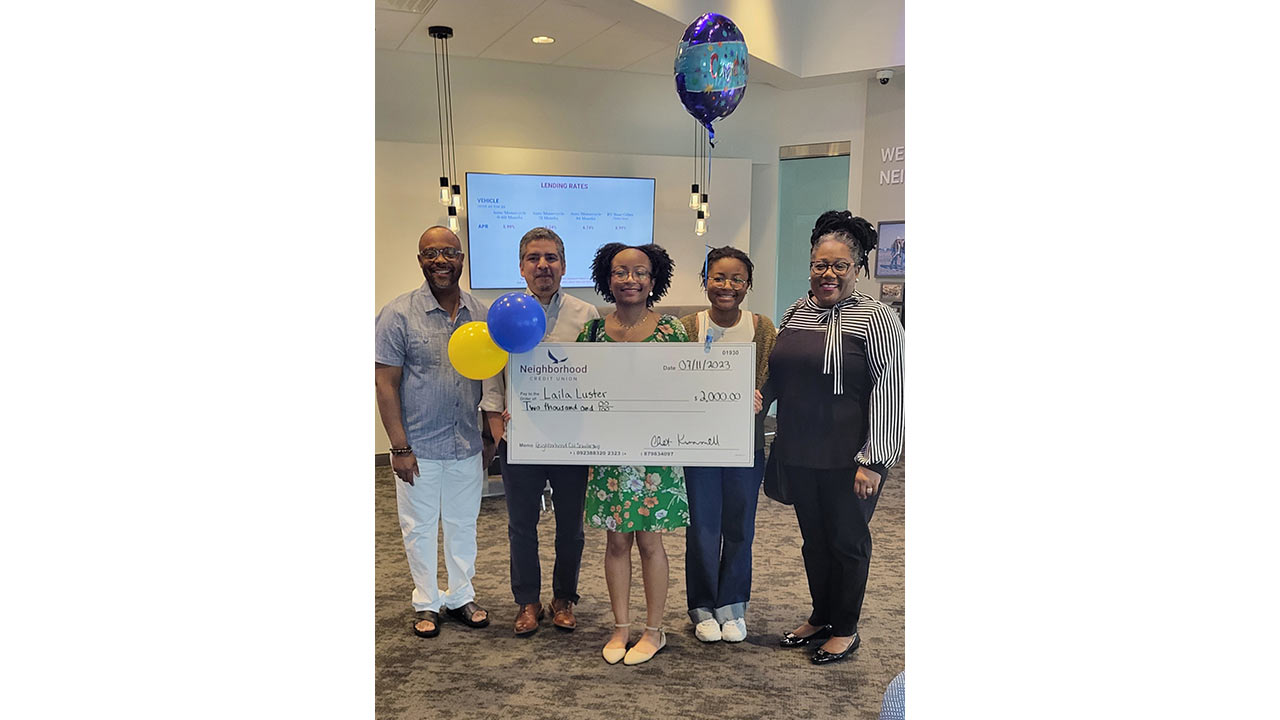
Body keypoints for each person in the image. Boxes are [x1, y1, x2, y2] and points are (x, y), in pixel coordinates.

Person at [763, 211, 904, 665]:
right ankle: (822, 615)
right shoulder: (796, 311)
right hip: (800, 450)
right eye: (820, 264)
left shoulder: (876, 317)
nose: (828, 274)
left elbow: (891, 389)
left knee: (847, 541)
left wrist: (875, 460)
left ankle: (845, 628)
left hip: (850, 457)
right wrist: (757, 396)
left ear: (858, 268)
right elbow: (779, 375)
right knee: (814, 541)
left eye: (840, 265)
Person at [375, 226, 501, 638]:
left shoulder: (482, 314)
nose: (440, 261)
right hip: (420, 446)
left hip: (466, 442)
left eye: (449, 252)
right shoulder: (398, 314)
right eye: (431, 254)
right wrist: (399, 447)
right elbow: (385, 383)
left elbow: (491, 381)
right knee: (420, 527)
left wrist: (488, 438)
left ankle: (461, 595)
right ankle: (427, 601)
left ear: (462, 258)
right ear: (420, 261)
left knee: (464, 524)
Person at [480, 227, 600, 636]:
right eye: (534, 258)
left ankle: (564, 598)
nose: (542, 266)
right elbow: (493, 377)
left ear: (564, 266)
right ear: (521, 267)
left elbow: (596, 378)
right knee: (521, 526)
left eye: (550, 258)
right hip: (521, 441)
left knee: (571, 527)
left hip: (572, 440)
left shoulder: (586, 315)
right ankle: (527, 601)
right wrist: (498, 427)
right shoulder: (504, 312)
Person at [576, 242, 690, 665]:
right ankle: (621, 626)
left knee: (649, 542)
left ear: (653, 280)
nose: (630, 279)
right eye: (621, 272)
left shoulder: (672, 331)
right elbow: (573, 390)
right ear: (608, 278)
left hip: (655, 454)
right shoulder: (590, 332)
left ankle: (654, 630)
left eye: (640, 272)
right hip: (608, 453)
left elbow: (689, 391)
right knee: (616, 541)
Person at [678, 247, 775, 644]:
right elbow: (671, 379)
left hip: (744, 446)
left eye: (737, 279)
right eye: (718, 277)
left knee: (739, 527)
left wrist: (761, 398)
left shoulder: (762, 327)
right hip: (697, 446)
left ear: (747, 285)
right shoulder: (687, 327)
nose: (727, 286)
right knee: (701, 527)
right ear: (705, 281)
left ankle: (732, 605)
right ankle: (701, 605)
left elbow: (771, 380)